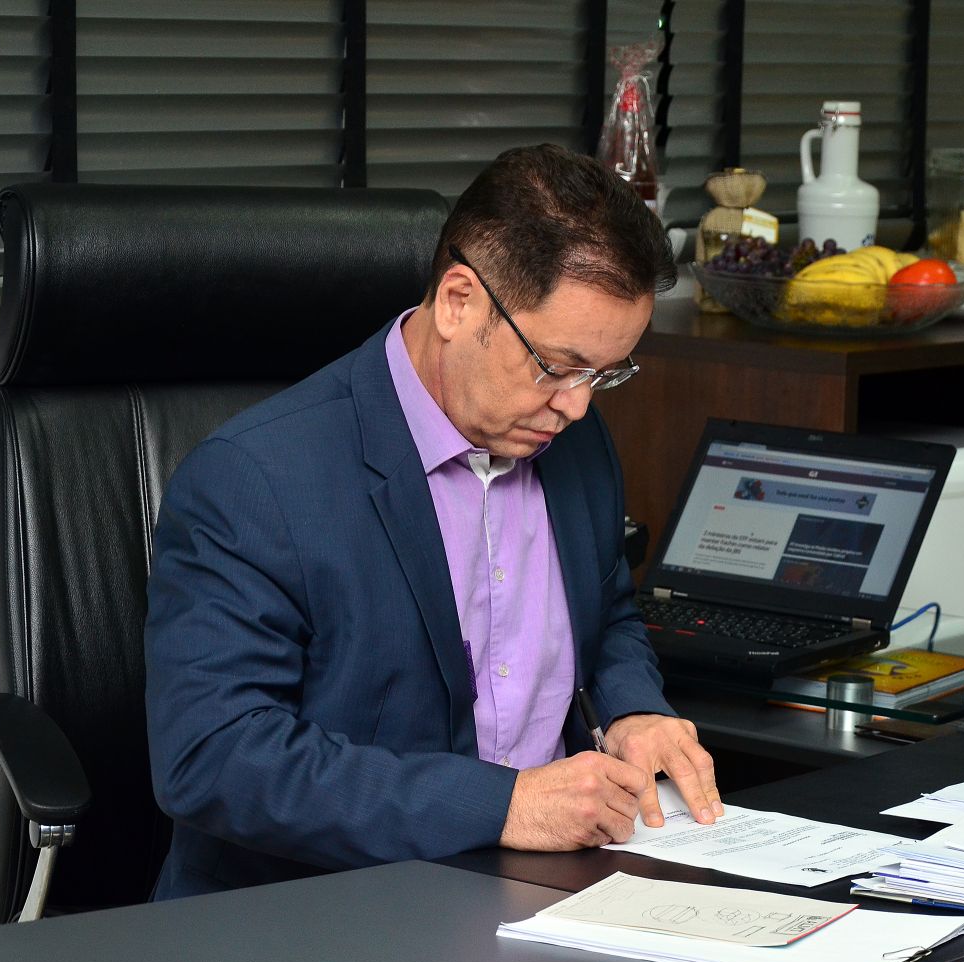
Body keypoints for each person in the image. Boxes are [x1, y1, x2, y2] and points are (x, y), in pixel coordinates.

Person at [145, 144, 722, 900]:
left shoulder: (572, 443)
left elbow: (606, 610)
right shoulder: (255, 480)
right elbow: (215, 758)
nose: (578, 406)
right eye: (556, 366)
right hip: (326, 908)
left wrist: (633, 710)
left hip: (548, 888)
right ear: (458, 303)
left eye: (603, 374)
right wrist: (503, 805)